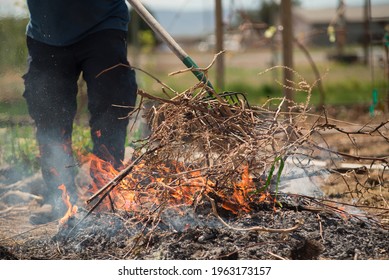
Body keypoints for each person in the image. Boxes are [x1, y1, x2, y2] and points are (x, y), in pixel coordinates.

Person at [23, 0, 138, 224]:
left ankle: (105, 194)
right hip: (46, 33)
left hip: (103, 23)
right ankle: (60, 198)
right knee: (50, 116)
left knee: (111, 108)